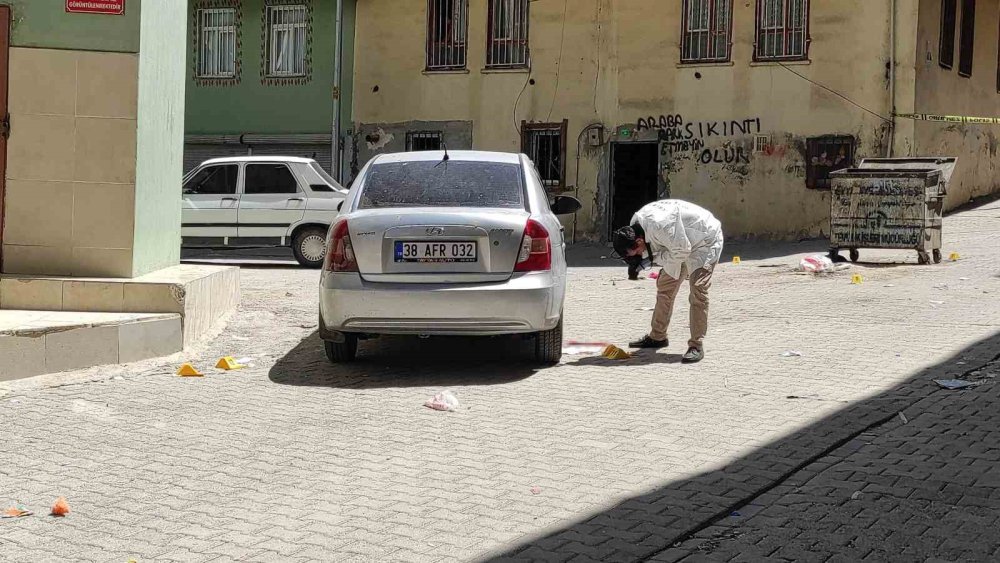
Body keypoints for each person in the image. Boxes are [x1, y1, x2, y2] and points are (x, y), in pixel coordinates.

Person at [612, 199, 724, 363]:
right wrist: (646, 258)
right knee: (665, 287)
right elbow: (672, 248)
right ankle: (658, 337)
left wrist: (654, 257)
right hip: (678, 245)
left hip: (705, 241)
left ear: (639, 241)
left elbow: (683, 250)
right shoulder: (635, 225)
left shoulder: (660, 225)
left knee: (698, 290)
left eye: (634, 253)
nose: (636, 257)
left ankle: (696, 345)